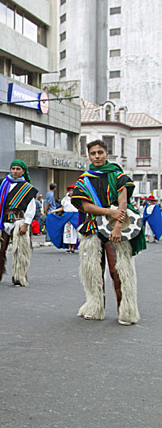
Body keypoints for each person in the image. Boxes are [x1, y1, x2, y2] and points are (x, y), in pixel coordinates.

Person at [71, 139, 146, 325]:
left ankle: (127, 311)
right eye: (93, 153)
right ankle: (95, 307)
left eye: (100, 152)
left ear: (106, 153)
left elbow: (123, 203)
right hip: (92, 228)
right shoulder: (84, 179)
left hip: (115, 228)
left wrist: (118, 227)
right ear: (88, 156)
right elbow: (86, 206)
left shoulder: (117, 175)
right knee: (93, 272)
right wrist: (108, 211)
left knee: (119, 270)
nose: (97, 156)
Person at [0, 160, 38, 286]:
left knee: (20, 251)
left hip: (18, 221)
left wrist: (26, 224)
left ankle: (19, 277)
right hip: (2, 222)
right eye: (13, 168)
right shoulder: (0, 185)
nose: (15, 171)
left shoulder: (27, 188)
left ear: (23, 171)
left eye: (18, 169)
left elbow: (31, 208)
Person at [47, 185, 78, 252]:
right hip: (67, 217)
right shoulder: (65, 199)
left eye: (72, 190)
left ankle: (73, 247)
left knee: (74, 232)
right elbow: (63, 208)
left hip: (75, 216)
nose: (71, 192)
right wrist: (54, 211)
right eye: (70, 190)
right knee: (68, 232)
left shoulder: (78, 198)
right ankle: (69, 247)